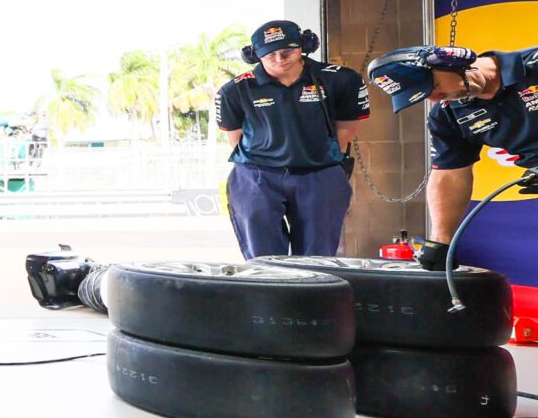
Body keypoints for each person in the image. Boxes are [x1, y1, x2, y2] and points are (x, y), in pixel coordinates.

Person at [363, 44, 538, 268]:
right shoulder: (447, 115)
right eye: (426, 96)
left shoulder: (532, 63)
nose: (436, 98)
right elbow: (450, 175)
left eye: (434, 87)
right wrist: (440, 241)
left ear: (451, 62)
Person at [213, 20, 368, 258]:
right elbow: (235, 138)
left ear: (304, 46)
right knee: (263, 258)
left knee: (318, 257)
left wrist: (316, 158)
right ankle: (269, 294)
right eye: (271, 55)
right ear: (255, 56)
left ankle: (312, 296)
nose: (280, 59)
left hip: (319, 173)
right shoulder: (234, 91)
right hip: (257, 177)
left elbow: (345, 132)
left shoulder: (341, 80)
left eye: (287, 52)